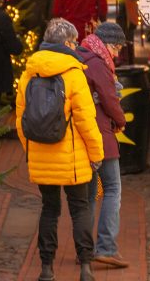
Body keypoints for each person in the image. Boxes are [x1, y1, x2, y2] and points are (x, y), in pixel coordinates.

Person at [15, 18, 104, 281]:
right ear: (66, 42)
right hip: (73, 160)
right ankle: (86, 268)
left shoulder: (29, 73)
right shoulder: (74, 73)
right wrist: (96, 155)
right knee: (80, 209)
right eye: (74, 41)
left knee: (49, 210)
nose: (76, 45)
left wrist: (31, 149)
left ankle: (46, 268)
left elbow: (21, 118)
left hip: (41, 156)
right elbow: (86, 121)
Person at [77, 22, 130, 268]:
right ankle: (106, 248)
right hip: (100, 133)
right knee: (112, 188)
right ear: (108, 44)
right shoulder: (98, 62)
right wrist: (120, 120)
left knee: (88, 195)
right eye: (117, 48)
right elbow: (109, 98)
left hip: (83, 133)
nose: (117, 54)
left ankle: (85, 251)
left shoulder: (81, 54)